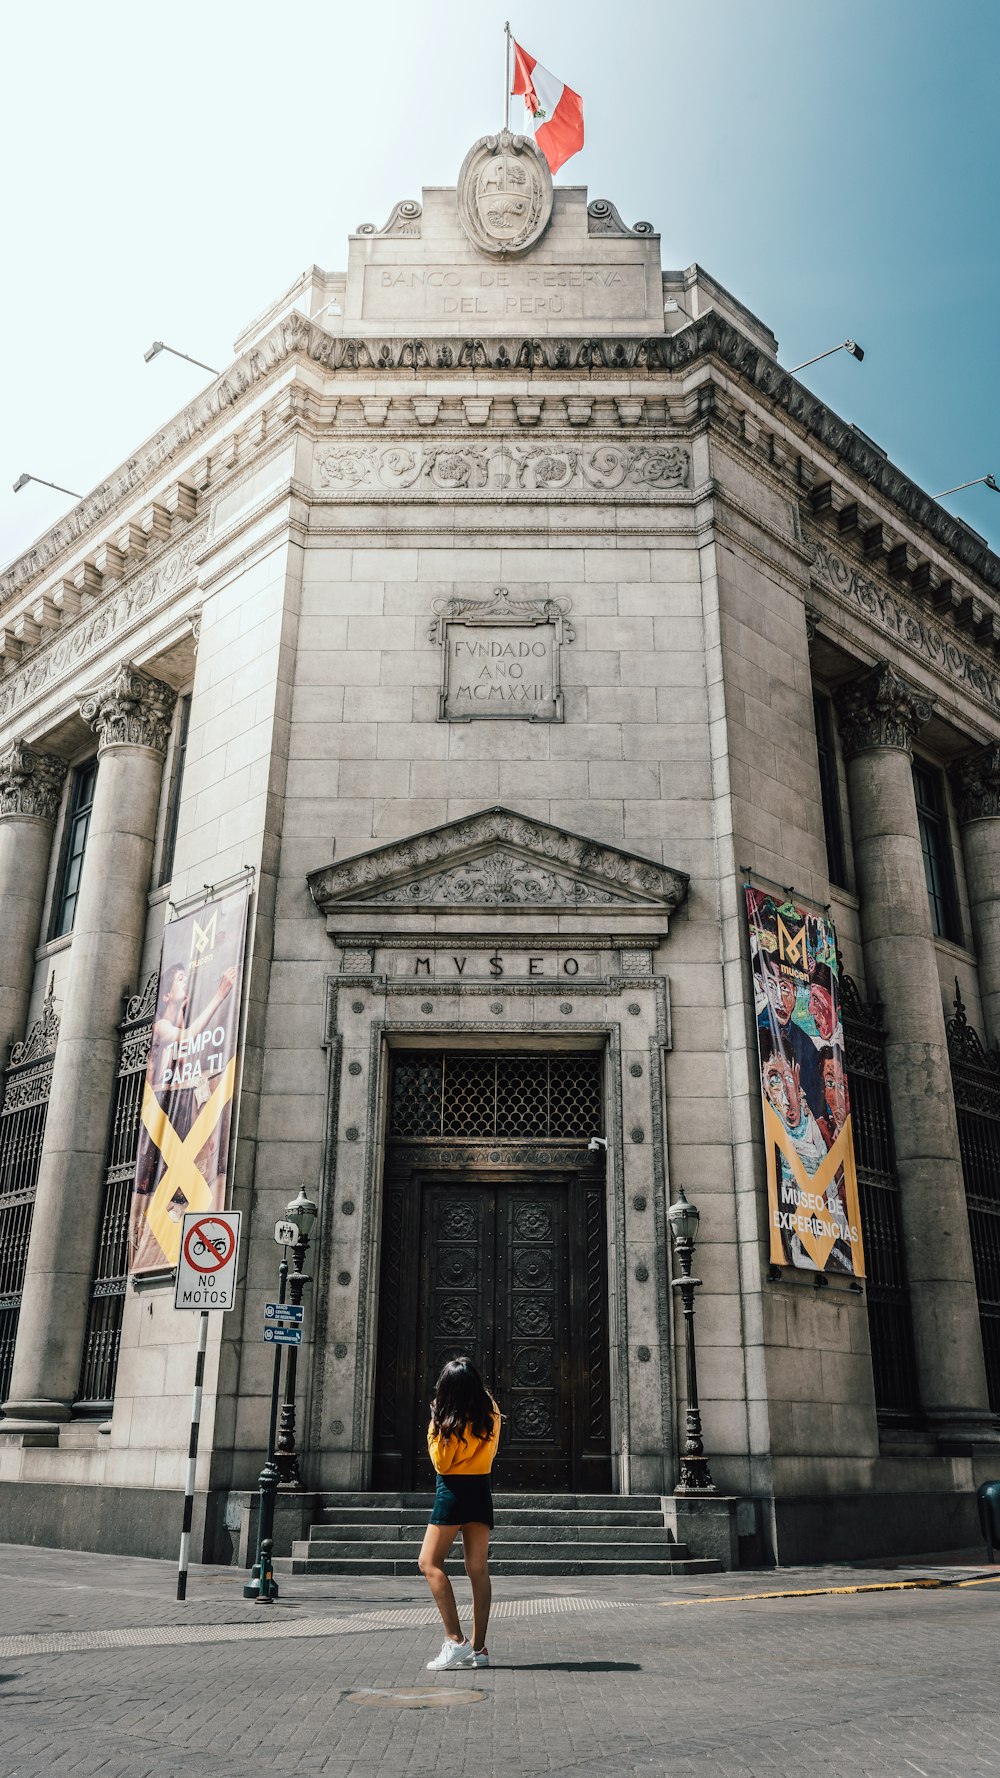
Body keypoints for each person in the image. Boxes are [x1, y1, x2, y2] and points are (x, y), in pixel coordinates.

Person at [418, 1357, 500, 1671]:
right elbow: (490, 1453)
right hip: (481, 1489)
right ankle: (479, 1649)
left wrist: (435, 1425)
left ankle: (455, 1639)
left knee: (428, 1562)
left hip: (452, 1492)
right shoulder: (490, 1411)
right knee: (478, 1570)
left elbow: (441, 1463)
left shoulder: (448, 1420)